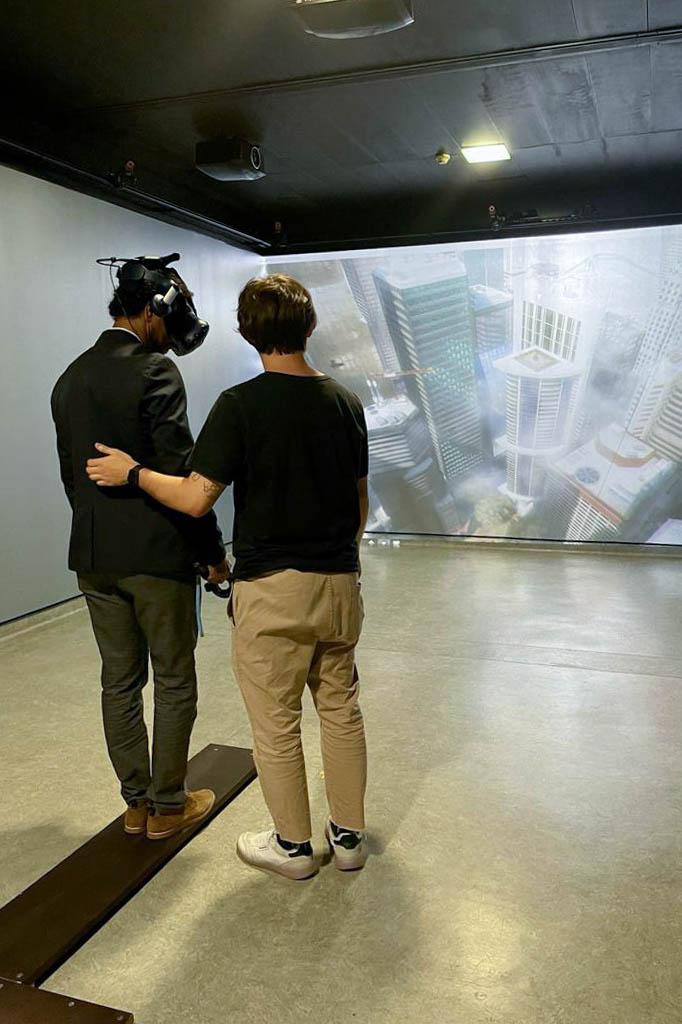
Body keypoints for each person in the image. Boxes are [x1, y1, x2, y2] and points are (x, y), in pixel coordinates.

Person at [86, 273, 370, 880]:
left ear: (246, 333)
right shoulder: (346, 402)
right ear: (311, 326)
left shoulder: (240, 405)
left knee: (277, 724)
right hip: (339, 585)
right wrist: (338, 561)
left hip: (271, 589)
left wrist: (133, 473)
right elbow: (359, 506)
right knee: (342, 709)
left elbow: (195, 498)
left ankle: (293, 848)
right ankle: (348, 838)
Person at [51, 253, 229, 841]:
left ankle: (136, 804)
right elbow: (182, 477)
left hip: (95, 559)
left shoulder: (69, 378)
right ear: (152, 311)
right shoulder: (157, 373)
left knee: (119, 682)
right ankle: (169, 805)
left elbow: (72, 481)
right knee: (174, 679)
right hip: (157, 558)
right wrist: (212, 555)